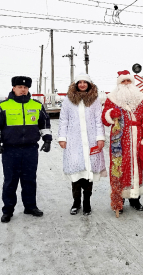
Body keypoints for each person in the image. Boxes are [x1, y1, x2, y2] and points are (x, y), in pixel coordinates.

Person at [0, 76, 52, 223]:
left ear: (28, 89)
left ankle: (30, 206)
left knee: (29, 180)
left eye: (25, 87)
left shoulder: (36, 105)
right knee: (10, 181)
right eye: (19, 87)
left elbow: (45, 124)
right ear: (13, 88)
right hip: (10, 150)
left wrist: (47, 140)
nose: (23, 90)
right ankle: (8, 210)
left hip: (30, 149)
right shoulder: (3, 106)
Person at [102, 70, 143, 217]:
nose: (126, 84)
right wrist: (111, 115)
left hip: (137, 137)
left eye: (128, 81)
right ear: (119, 83)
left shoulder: (140, 98)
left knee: (136, 167)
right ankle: (119, 200)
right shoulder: (112, 98)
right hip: (120, 139)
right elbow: (104, 119)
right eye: (123, 81)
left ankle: (135, 199)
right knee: (119, 167)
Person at [58, 73, 107, 216]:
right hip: (74, 140)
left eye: (85, 82)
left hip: (91, 139)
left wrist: (100, 138)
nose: (82, 84)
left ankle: (87, 203)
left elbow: (98, 120)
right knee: (76, 173)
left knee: (88, 174)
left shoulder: (95, 100)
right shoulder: (68, 100)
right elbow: (63, 120)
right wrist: (62, 137)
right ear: (76, 84)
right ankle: (76, 202)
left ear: (89, 84)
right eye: (80, 82)